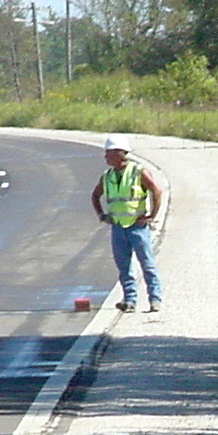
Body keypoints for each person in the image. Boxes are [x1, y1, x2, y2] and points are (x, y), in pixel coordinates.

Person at [91, 134, 164, 313]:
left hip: (137, 227)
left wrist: (151, 216)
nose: (106, 157)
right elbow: (95, 195)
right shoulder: (107, 176)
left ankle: (155, 299)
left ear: (120, 153)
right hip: (118, 227)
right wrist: (102, 215)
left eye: (109, 153)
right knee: (124, 267)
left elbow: (157, 191)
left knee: (147, 264)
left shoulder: (138, 172)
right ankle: (130, 300)